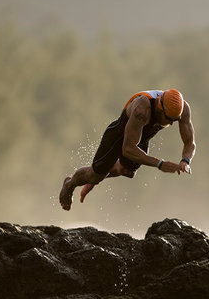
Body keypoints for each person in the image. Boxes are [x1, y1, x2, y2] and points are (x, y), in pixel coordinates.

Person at [59, 88, 196, 210]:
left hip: (141, 136)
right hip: (119, 134)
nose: (172, 123)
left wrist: (185, 160)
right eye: (169, 119)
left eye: (175, 119)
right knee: (94, 175)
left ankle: (98, 175)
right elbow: (128, 149)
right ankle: (70, 184)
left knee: (127, 171)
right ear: (160, 108)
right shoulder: (142, 109)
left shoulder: (182, 110)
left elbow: (190, 142)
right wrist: (160, 164)